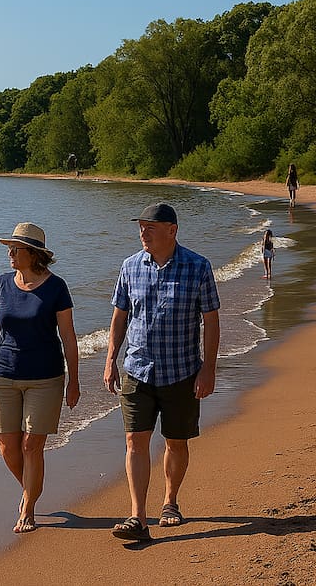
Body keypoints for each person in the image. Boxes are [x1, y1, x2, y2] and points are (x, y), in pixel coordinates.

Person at [104, 203, 221, 542]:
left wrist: (208, 369)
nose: (143, 233)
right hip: (137, 370)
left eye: (150, 227)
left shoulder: (198, 267)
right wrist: (111, 359)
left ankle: (170, 502)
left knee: (176, 441)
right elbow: (119, 318)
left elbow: (211, 321)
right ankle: (138, 516)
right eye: (141, 227)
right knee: (134, 441)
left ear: (172, 230)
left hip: (182, 372)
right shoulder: (130, 267)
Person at [0, 222, 80, 534]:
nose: (10, 254)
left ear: (33, 254)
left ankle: (28, 507)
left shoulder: (57, 288)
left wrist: (74, 380)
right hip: (4, 374)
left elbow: (68, 336)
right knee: (7, 445)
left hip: (46, 377)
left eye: (15, 250)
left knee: (32, 445)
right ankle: (31, 488)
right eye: (9, 249)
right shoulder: (1, 284)